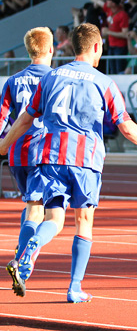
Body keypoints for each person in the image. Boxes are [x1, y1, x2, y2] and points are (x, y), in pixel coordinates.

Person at [0, 23, 137, 302]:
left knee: (53, 216)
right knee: (83, 221)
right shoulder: (104, 82)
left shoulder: (52, 77)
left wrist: (5, 144)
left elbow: (27, 116)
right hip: (85, 159)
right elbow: (125, 126)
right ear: (95, 47)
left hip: (49, 156)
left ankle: (31, 246)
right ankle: (74, 288)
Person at [0, 27, 53, 281]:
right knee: (37, 209)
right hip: (43, 151)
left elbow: (2, 118)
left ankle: (21, 252)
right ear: (51, 49)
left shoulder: (13, 80)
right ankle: (22, 263)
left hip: (16, 153)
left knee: (30, 205)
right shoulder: (56, 78)